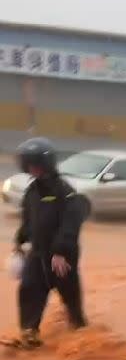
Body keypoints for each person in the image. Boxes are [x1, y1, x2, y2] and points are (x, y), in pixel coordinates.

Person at [6, 137, 87, 349]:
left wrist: (60, 252)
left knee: (71, 299)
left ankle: (82, 334)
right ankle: (29, 333)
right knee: (29, 289)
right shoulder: (32, 191)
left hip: (62, 258)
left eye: (37, 165)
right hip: (38, 254)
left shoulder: (65, 191)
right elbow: (28, 221)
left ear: (47, 163)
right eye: (29, 165)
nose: (34, 170)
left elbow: (71, 224)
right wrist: (19, 241)